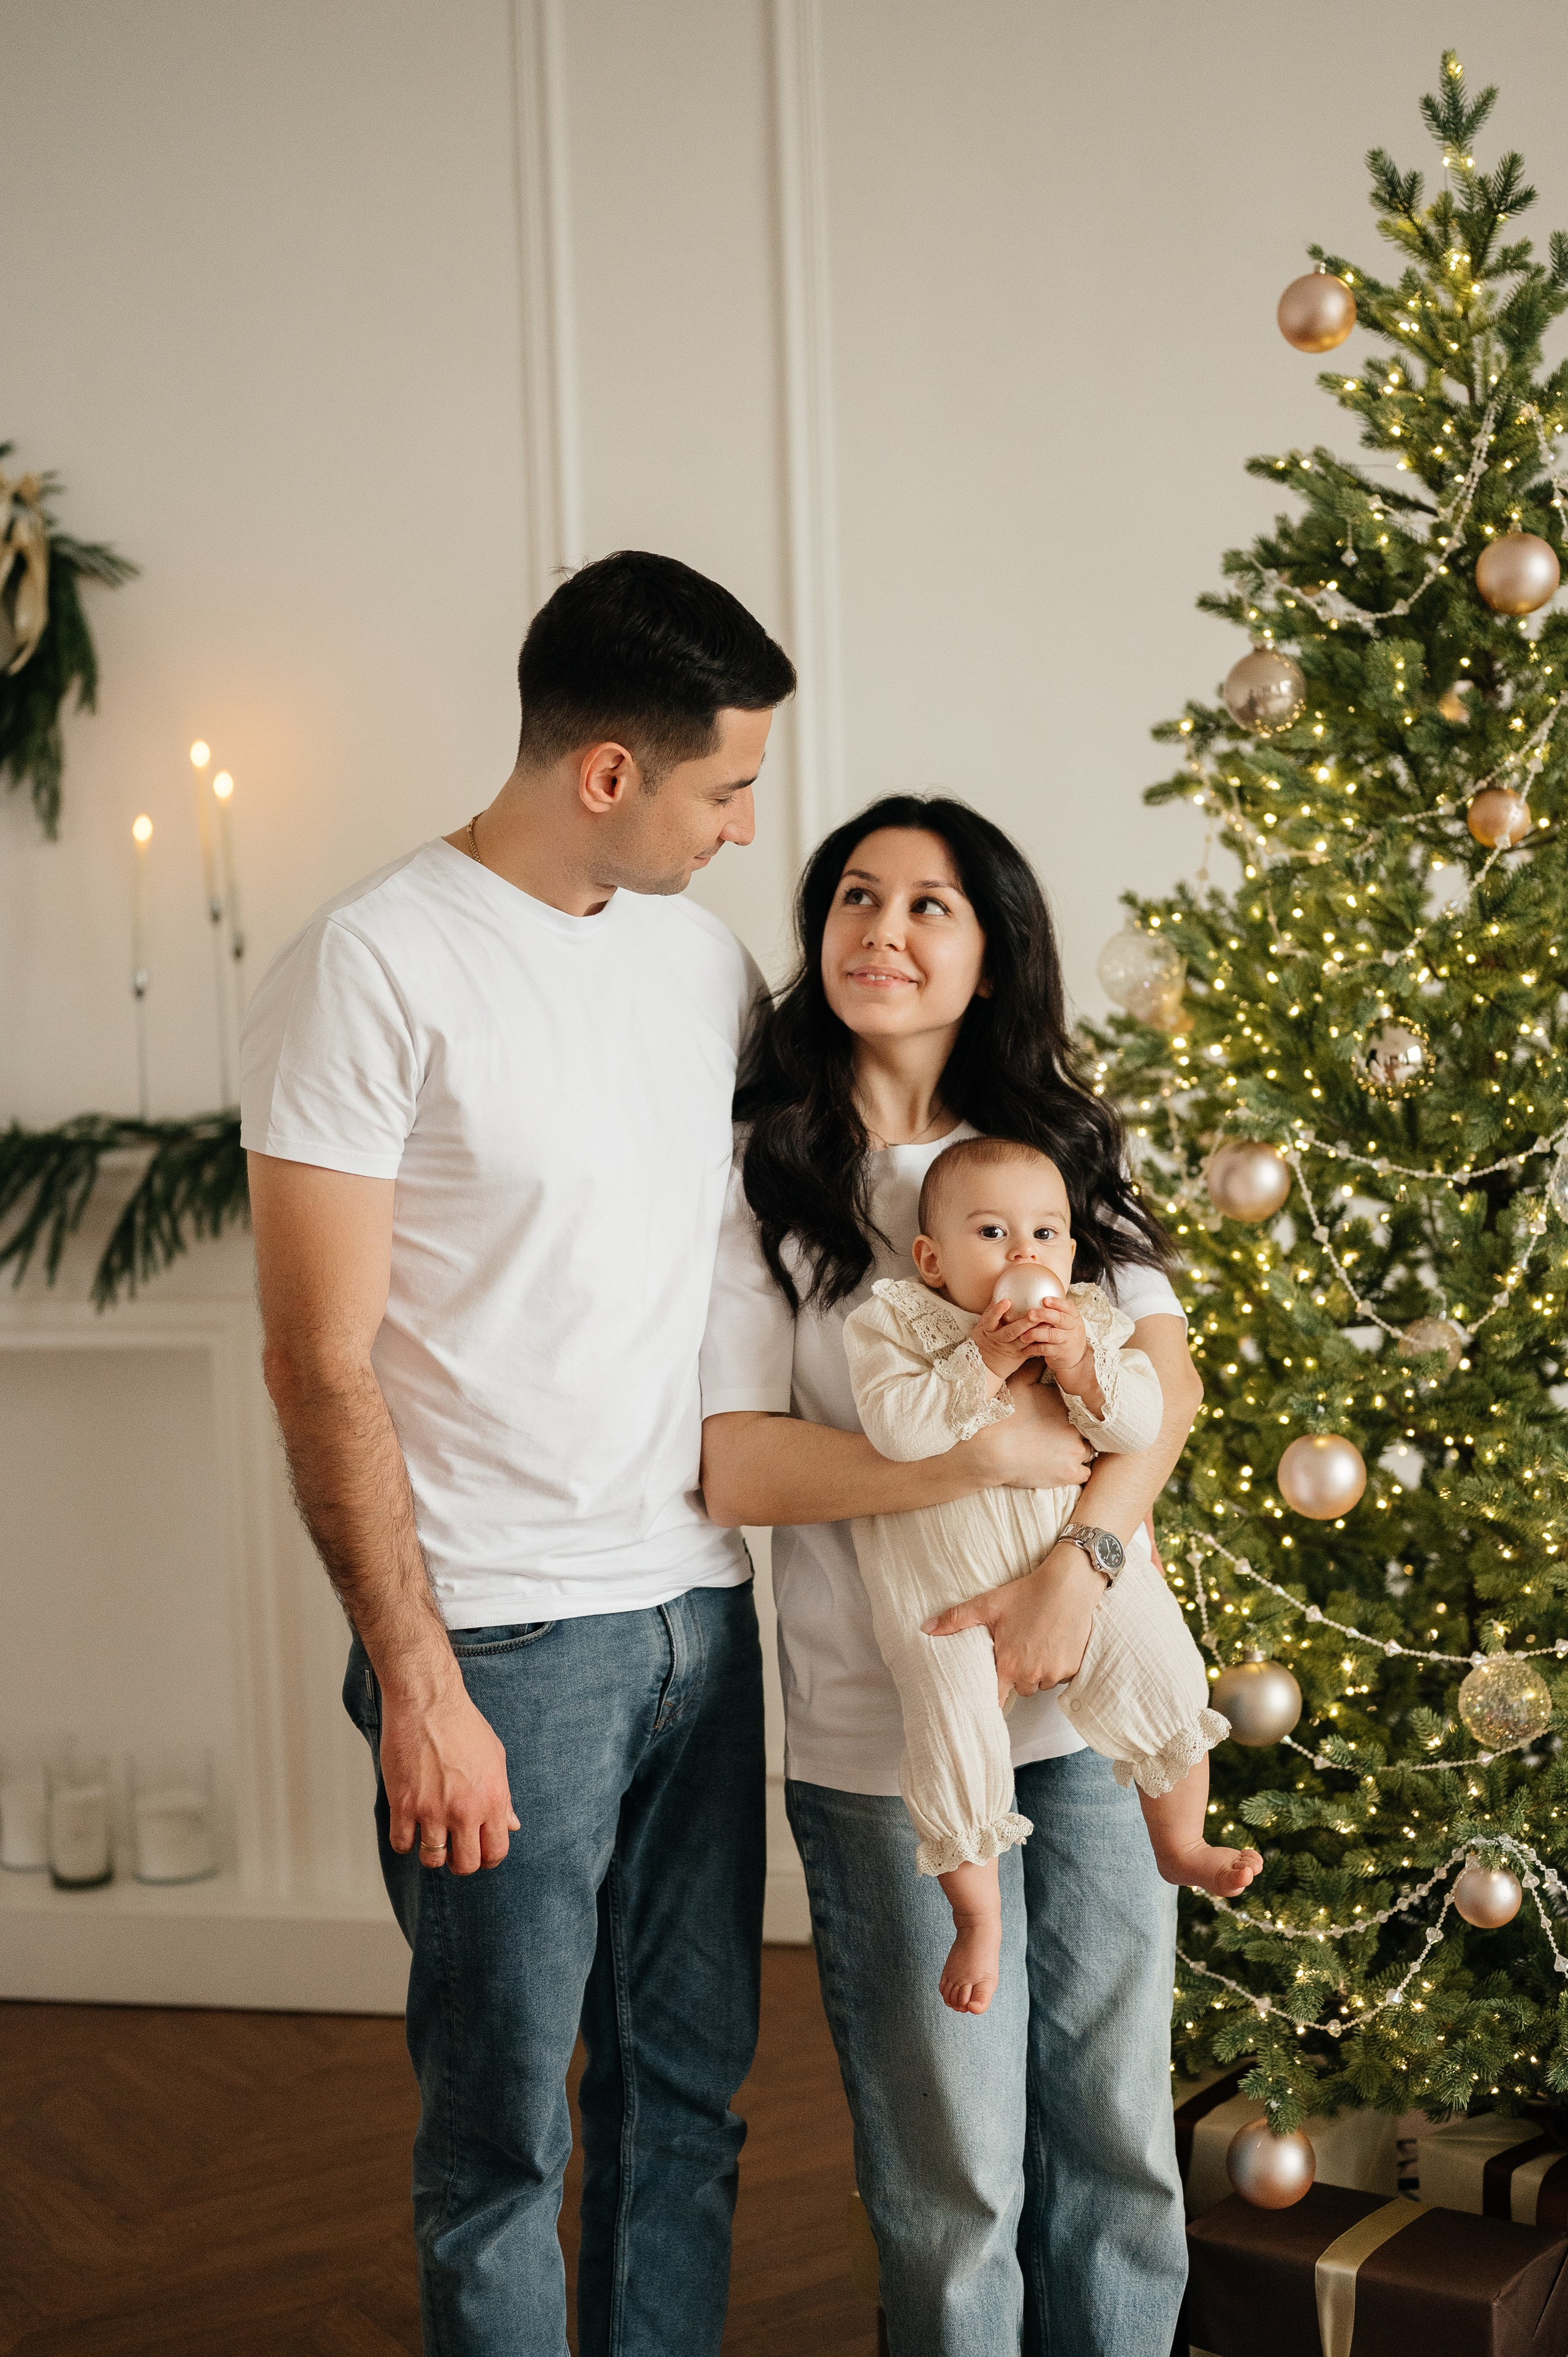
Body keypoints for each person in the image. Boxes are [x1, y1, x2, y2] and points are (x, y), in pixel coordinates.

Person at [241, 550, 796, 2357]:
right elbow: (321, 1361)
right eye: (724, 790)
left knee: (687, 2100)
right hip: (501, 1649)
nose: (739, 831)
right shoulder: (372, 963)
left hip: (702, 1622)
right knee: (501, 2142)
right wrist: (417, 1677)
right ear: (612, 774)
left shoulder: (704, 964)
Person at [699, 794, 1205, 2356]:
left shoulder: (1052, 1158)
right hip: (890, 1730)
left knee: (1118, 2140)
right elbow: (737, 1465)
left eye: (929, 905)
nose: (884, 930)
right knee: (952, 2180)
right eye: (856, 897)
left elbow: (1159, 1390)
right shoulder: (762, 1176)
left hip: (1090, 1698)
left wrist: (1082, 1561)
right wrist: (966, 1463)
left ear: (987, 956)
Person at [842, 1131, 1257, 2017]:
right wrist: (984, 1360)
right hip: (942, 1599)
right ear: (932, 1258)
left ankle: (1179, 1844)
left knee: (1166, 1671)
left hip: (1079, 1570)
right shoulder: (894, 1326)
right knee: (952, 1732)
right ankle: (977, 1918)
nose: (1025, 1254)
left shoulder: (1092, 1324)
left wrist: (1078, 1365)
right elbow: (900, 1435)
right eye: (992, 1233)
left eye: (1047, 1233)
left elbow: (1140, 1424)